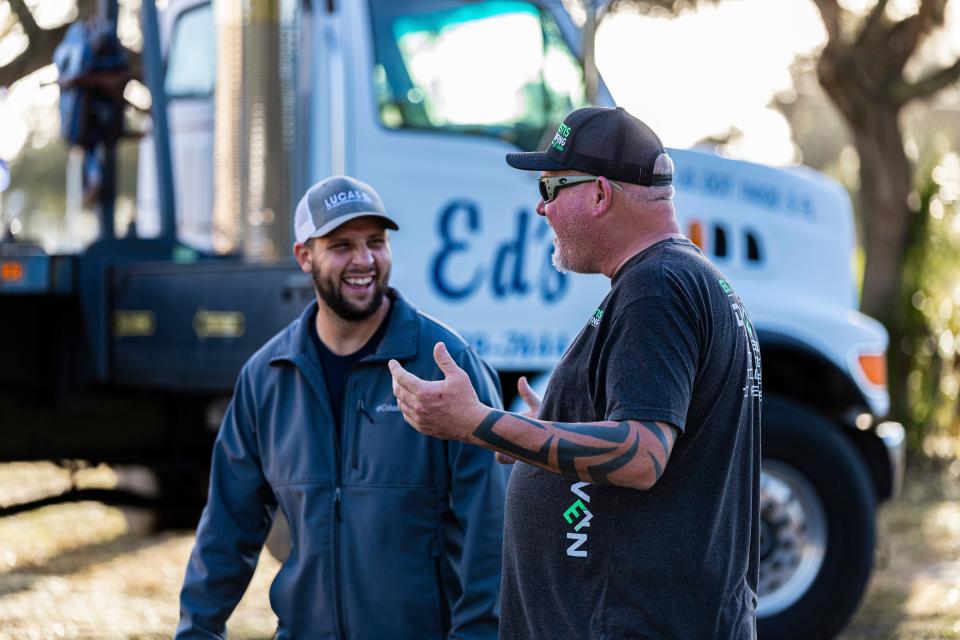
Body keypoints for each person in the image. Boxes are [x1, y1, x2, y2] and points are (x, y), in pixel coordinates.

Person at [388, 107, 762, 639]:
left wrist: (474, 422)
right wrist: (554, 426)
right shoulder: (686, 278)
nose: (540, 210)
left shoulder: (655, 289)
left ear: (600, 194)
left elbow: (641, 456)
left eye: (550, 188)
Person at [177, 175, 508, 639]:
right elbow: (227, 529)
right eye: (342, 245)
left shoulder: (444, 366)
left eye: (376, 242)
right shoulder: (267, 377)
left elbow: (491, 528)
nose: (364, 260)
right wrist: (197, 630)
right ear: (304, 256)